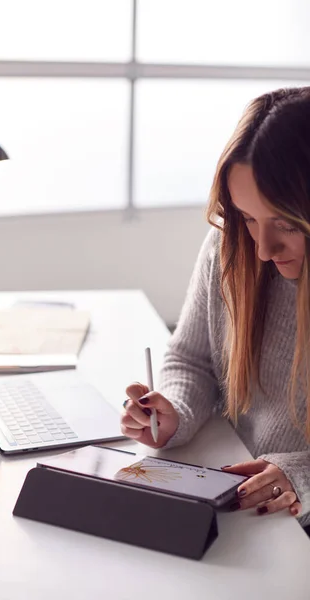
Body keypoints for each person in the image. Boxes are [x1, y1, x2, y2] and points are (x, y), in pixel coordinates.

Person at [121, 86, 310, 530]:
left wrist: (302, 473)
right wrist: (174, 414)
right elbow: (191, 358)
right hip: (236, 494)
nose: (263, 249)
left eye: (285, 224)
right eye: (247, 216)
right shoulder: (231, 247)